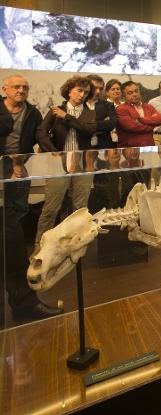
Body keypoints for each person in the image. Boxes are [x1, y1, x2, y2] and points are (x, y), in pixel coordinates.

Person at [0, 74, 63, 320]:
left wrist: (56, 154)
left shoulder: (33, 113)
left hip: (16, 179)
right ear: (4, 89)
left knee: (13, 235)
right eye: (16, 87)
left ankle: (24, 303)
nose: (21, 90)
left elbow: (39, 137)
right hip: (6, 173)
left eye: (25, 87)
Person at [35, 75, 97, 245]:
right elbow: (40, 132)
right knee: (51, 208)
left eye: (85, 92)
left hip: (83, 164)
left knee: (80, 208)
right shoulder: (55, 110)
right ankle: (40, 246)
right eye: (79, 90)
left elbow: (87, 130)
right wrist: (53, 151)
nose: (82, 95)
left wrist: (66, 117)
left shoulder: (90, 113)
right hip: (58, 164)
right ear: (69, 91)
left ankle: (75, 244)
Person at [116, 81, 161, 147]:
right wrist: (152, 123)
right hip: (130, 149)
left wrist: (140, 120)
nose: (135, 94)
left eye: (136, 91)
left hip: (149, 147)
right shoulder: (121, 109)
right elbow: (132, 126)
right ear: (124, 96)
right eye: (130, 93)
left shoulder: (148, 106)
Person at [86, 74, 117, 149]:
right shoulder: (79, 105)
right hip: (84, 146)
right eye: (95, 88)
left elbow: (111, 124)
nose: (98, 91)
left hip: (104, 146)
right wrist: (103, 122)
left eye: (100, 88)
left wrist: (87, 125)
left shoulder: (108, 105)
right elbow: (75, 125)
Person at [105, 78, 122, 144]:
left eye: (118, 89)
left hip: (125, 139)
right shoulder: (103, 106)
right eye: (113, 89)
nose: (116, 91)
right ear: (107, 92)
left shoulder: (125, 104)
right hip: (110, 140)